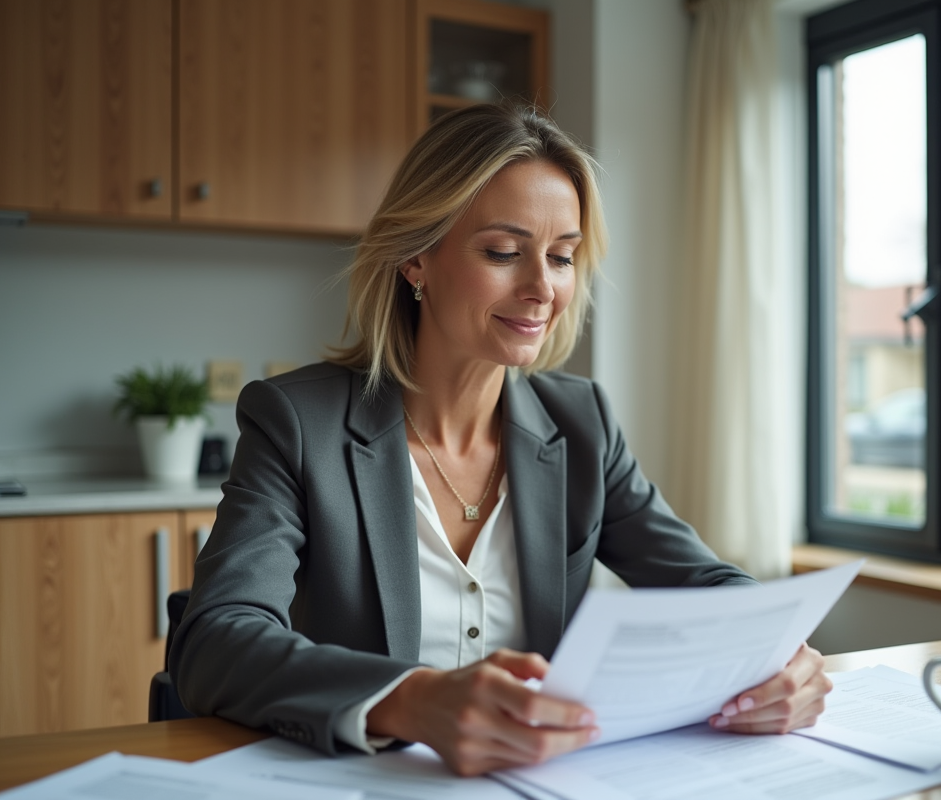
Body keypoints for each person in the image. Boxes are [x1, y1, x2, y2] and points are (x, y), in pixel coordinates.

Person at [170, 103, 831, 777]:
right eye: (503, 253)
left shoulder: (582, 422)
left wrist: (782, 653)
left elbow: (706, 581)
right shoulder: (295, 421)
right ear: (415, 260)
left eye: (563, 257)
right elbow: (216, 642)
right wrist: (413, 700)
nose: (543, 288)